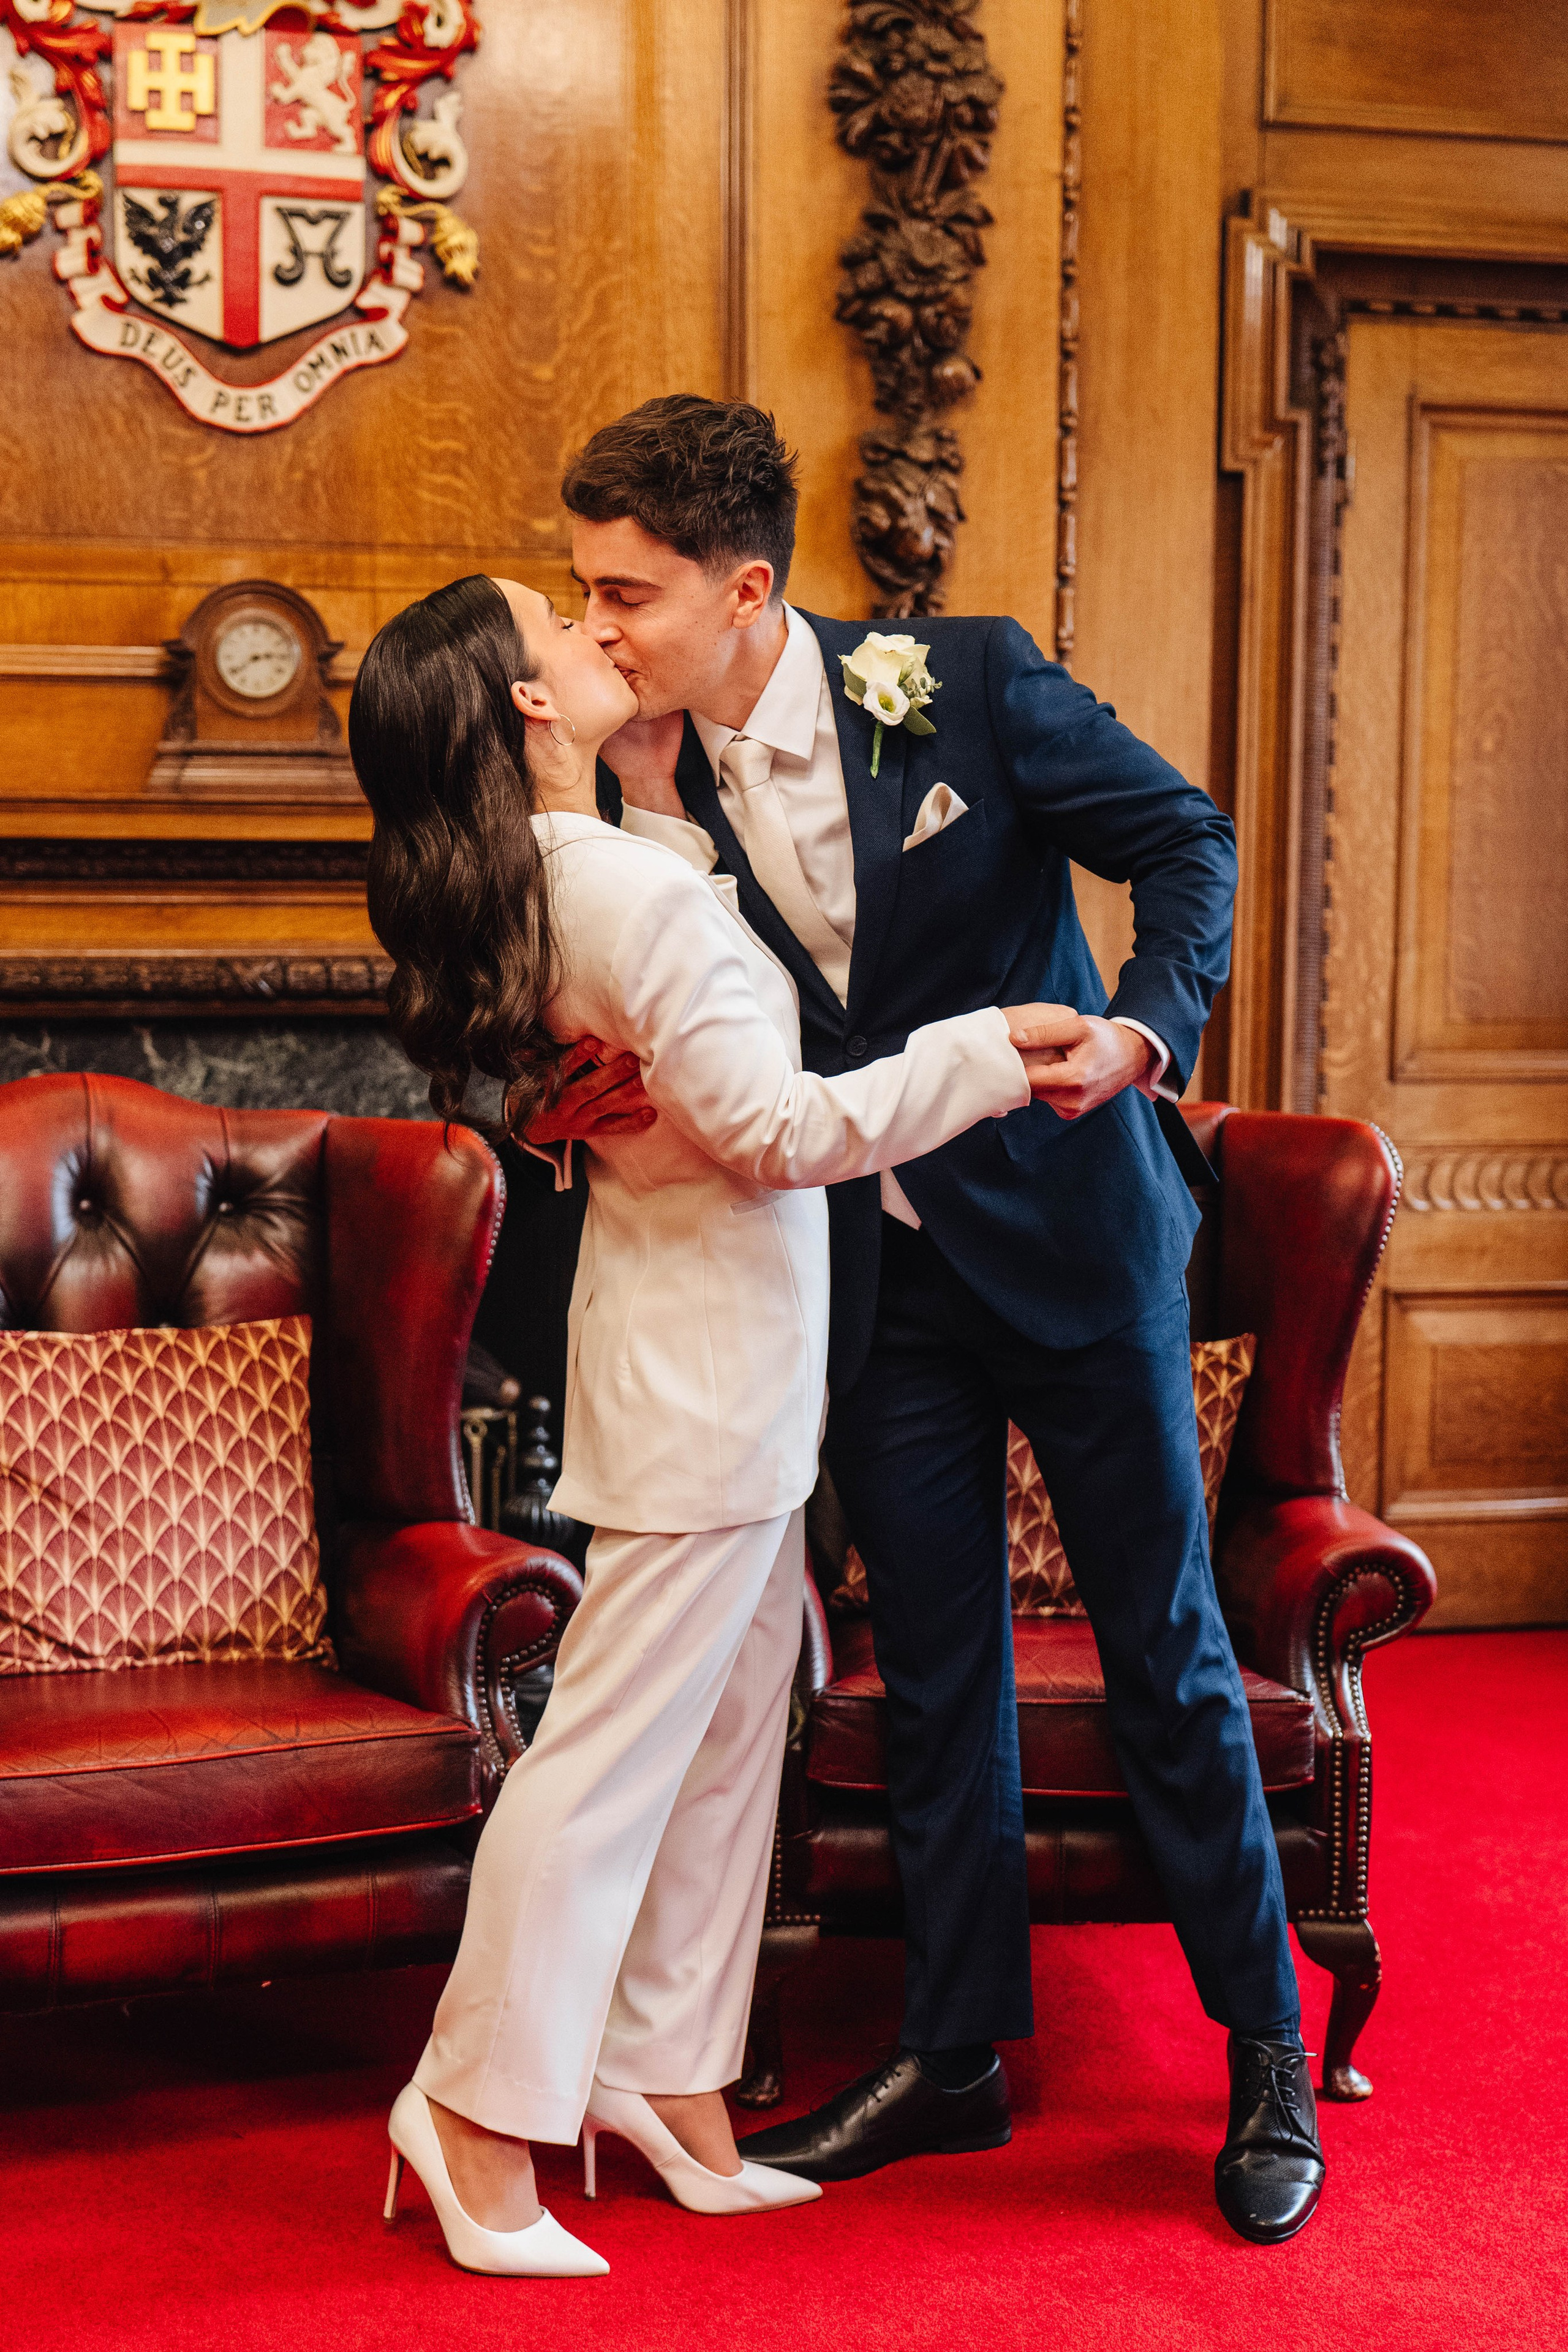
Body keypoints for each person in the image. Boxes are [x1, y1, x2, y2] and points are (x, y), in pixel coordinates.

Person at [532, 394, 1325, 2247]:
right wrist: (550, 1096)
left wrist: (1146, 1038)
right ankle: (954, 2050)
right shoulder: (644, 775)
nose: (598, 631)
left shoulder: (961, 681)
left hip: (1072, 1242)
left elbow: (1185, 838)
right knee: (939, 1672)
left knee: (1170, 1653)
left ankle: (1270, 2054)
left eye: (623, 594)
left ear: (746, 590)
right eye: (587, 593)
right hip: (869, 1280)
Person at [347, 570, 1068, 2277]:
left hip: (714, 1364)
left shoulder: (577, 866)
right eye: (564, 628)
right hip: (704, 1379)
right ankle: (466, 2113)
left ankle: (665, 2081)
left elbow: (680, 1017)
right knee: (608, 1763)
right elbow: (773, 1128)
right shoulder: (617, 894)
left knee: (741, 1727)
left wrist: (664, 783)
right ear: (528, 707)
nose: (602, 636)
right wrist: (983, 1053)